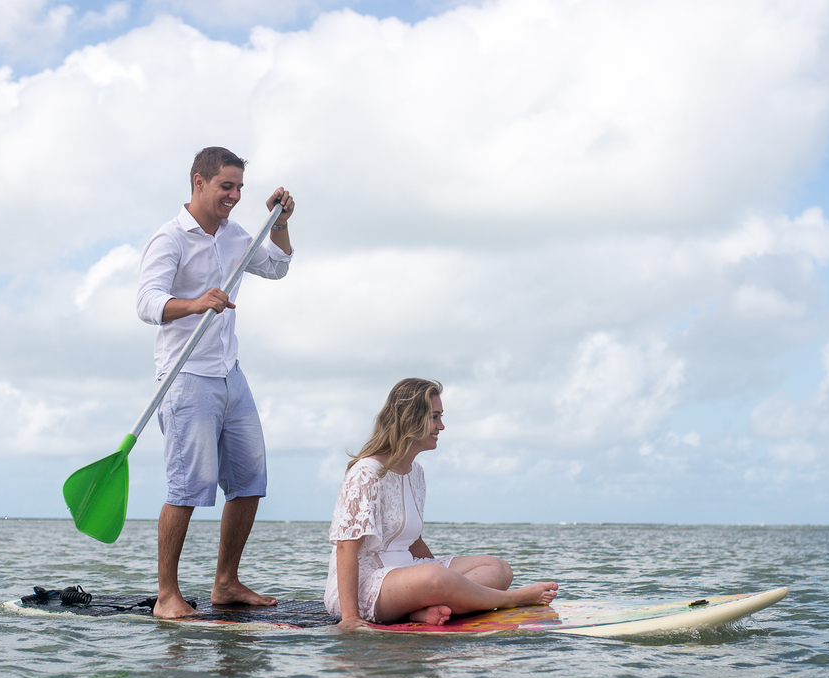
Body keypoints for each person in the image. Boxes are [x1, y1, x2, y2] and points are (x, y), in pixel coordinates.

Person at [136, 146, 295, 618]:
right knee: (187, 488)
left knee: (249, 481)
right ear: (198, 182)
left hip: (230, 375)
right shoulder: (170, 239)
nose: (235, 195)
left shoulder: (236, 236)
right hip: (186, 377)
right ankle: (168, 594)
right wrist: (196, 303)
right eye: (227, 185)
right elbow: (147, 304)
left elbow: (278, 265)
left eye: (241, 187)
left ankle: (225, 583)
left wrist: (281, 221)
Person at [324, 378, 559, 630]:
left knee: (498, 568)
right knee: (437, 578)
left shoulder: (416, 473)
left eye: (440, 417)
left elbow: (413, 541)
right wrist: (350, 618)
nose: (442, 426)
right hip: (364, 586)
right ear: (410, 420)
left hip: (409, 576)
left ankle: (421, 608)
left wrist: (443, 588)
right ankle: (512, 599)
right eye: (434, 417)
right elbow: (346, 548)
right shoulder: (366, 473)